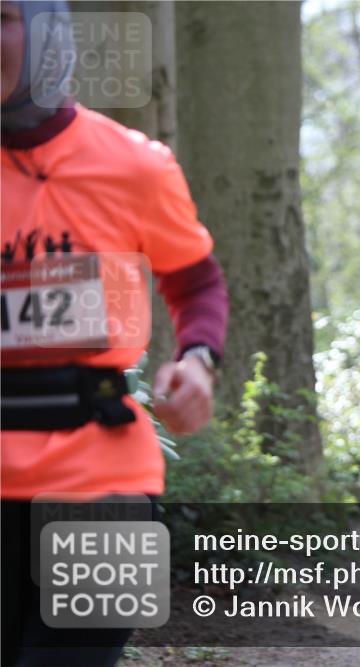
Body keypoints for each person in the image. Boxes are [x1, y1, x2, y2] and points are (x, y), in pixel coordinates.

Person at [1, 2, 228, 664]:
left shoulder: (134, 164)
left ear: (49, 33)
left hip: (101, 480)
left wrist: (198, 358)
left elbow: (196, 282)